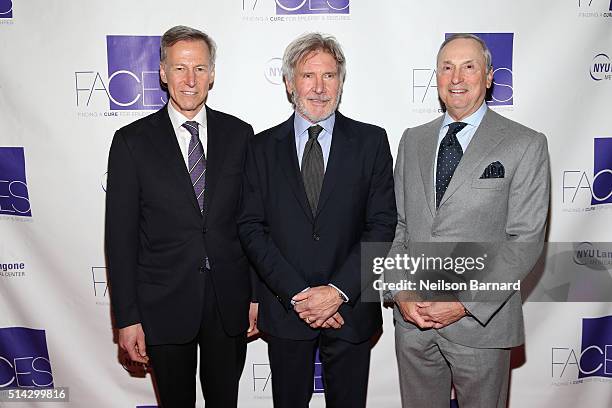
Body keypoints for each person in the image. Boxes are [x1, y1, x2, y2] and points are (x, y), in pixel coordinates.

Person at [388, 33, 550, 408]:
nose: (456, 77)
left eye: (468, 66)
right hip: (413, 325)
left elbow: (523, 240)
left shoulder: (524, 143)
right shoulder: (412, 140)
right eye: (447, 67)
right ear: (437, 77)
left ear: (490, 77)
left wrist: (463, 302)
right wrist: (401, 293)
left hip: (480, 323)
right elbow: (399, 227)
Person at [238, 32, 396, 408]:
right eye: (309, 76)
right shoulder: (260, 148)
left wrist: (337, 292)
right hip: (287, 309)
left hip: (351, 308)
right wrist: (299, 296)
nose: (320, 87)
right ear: (290, 83)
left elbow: (382, 223)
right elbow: (251, 227)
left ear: (341, 82)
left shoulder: (371, 141)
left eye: (330, 76)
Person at [105, 25, 257, 408]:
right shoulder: (131, 141)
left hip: (229, 301)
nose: (191, 80)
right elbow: (119, 240)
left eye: (200, 69)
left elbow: (252, 222)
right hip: (163, 303)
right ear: (161, 72)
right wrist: (126, 318)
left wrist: (256, 296)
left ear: (213, 74)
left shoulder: (240, 135)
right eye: (180, 68)